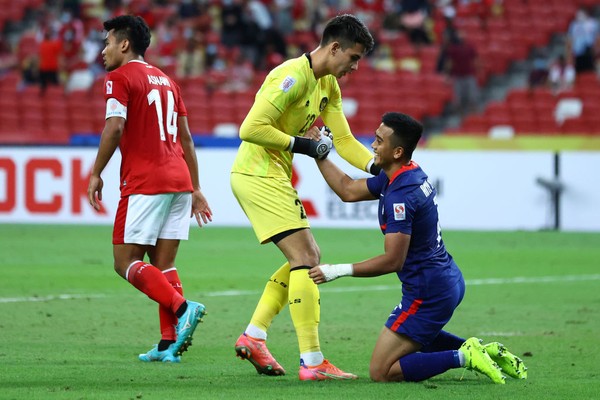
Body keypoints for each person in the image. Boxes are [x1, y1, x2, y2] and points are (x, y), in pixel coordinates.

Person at [309, 112, 528, 383]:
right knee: (416, 335)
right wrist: (320, 155)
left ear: (397, 151)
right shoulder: (404, 173)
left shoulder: (400, 196)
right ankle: (483, 351)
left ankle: (464, 356)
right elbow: (349, 189)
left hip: (428, 291)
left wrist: (336, 270)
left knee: (381, 371)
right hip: (445, 279)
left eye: (379, 141)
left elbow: (393, 261)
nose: (373, 146)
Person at [230, 13, 380, 381]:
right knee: (307, 257)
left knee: (307, 257)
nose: (356, 67)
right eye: (354, 58)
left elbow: (343, 141)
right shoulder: (292, 76)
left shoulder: (328, 84)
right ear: (334, 47)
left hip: (273, 174)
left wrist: (381, 168)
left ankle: (255, 335)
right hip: (257, 174)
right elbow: (249, 128)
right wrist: (304, 146)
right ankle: (312, 362)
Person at [87, 15, 212, 363]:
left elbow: (114, 127)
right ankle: (167, 343)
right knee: (164, 263)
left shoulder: (120, 77)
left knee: (125, 262)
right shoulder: (168, 81)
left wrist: (96, 172)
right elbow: (186, 138)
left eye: (108, 42)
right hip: (178, 180)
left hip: (146, 181)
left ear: (124, 44)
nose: (103, 51)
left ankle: (183, 309)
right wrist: (196, 187)